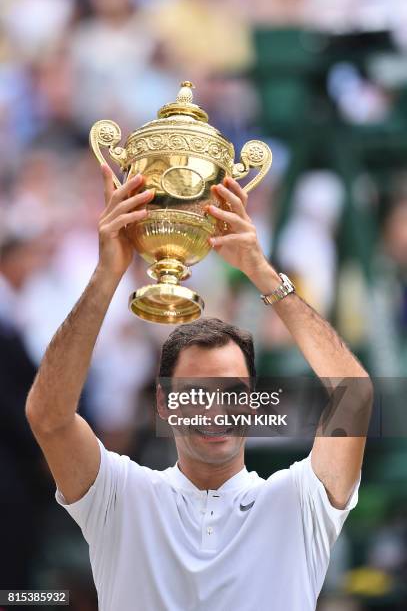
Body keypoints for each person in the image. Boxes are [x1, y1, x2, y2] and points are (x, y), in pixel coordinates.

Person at [26, 165, 372, 611]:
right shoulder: (121, 495)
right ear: (165, 405)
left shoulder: (299, 501)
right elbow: (48, 418)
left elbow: (355, 397)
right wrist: (108, 273)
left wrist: (260, 271)